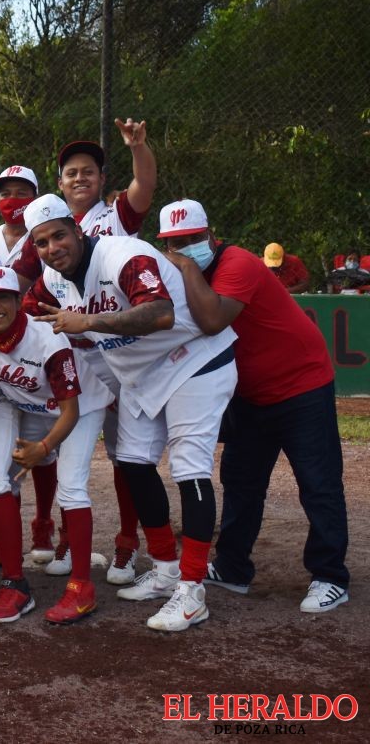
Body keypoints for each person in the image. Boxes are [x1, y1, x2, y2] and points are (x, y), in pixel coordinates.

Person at [24, 193, 236, 632]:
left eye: (59, 235)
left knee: (189, 468)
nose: (52, 248)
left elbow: (160, 314)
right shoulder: (51, 280)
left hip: (194, 359)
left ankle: (193, 590)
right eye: (41, 242)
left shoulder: (124, 255)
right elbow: (23, 316)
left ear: (79, 230)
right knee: (134, 464)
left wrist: (89, 323)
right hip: (142, 377)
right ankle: (165, 568)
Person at [157, 200, 349, 613]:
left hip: (302, 384)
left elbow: (212, 321)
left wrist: (187, 267)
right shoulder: (172, 277)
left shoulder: (236, 263)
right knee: (242, 482)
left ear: (211, 234)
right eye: (175, 243)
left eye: (192, 239)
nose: (185, 248)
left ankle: (330, 576)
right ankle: (232, 568)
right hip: (250, 394)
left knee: (318, 483)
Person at [12, 121, 159, 589]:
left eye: (89, 171)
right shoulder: (42, 236)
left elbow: (145, 186)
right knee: (73, 455)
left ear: (100, 177)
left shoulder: (115, 217)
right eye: (71, 171)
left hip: (131, 353)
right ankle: (70, 541)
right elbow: (18, 292)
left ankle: (126, 541)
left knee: (127, 458)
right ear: (59, 182)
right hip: (88, 363)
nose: (80, 178)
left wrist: (138, 148)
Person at [0, 266, 113, 623]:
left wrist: (43, 447)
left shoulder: (48, 341)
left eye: (3, 297)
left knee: (72, 486)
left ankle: (81, 588)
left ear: (19, 302)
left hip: (79, 407)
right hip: (30, 404)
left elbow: (70, 411)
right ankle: (12, 565)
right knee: (1, 476)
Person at [0, 165, 53, 562]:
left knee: (42, 449)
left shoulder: (45, 239)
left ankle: (43, 525)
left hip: (35, 344)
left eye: (22, 192)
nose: (12, 200)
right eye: (5, 193)